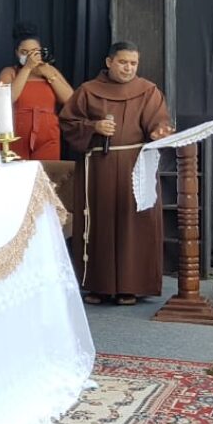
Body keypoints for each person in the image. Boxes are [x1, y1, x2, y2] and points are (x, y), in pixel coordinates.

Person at [60, 41, 174, 305]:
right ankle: (98, 285)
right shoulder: (88, 91)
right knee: (99, 224)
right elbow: (67, 123)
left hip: (136, 166)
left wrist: (159, 131)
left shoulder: (147, 91)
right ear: (109, 62)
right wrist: (93, 126)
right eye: (123, 62)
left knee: (132, 224)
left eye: (133, 63)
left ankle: (130, 286)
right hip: (99, 167)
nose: (128, 68)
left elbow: (159, 121)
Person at [0, 23, 74, 160]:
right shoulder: (10, 72)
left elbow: (70, 100)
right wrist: (27, 69)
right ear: (17, 53)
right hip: (16, 135)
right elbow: (6, 100)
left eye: (34, 52)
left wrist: (49, 74)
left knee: (45, 176)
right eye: (25, 52)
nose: (30, 56)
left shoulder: (50, 70)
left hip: (48, 136)